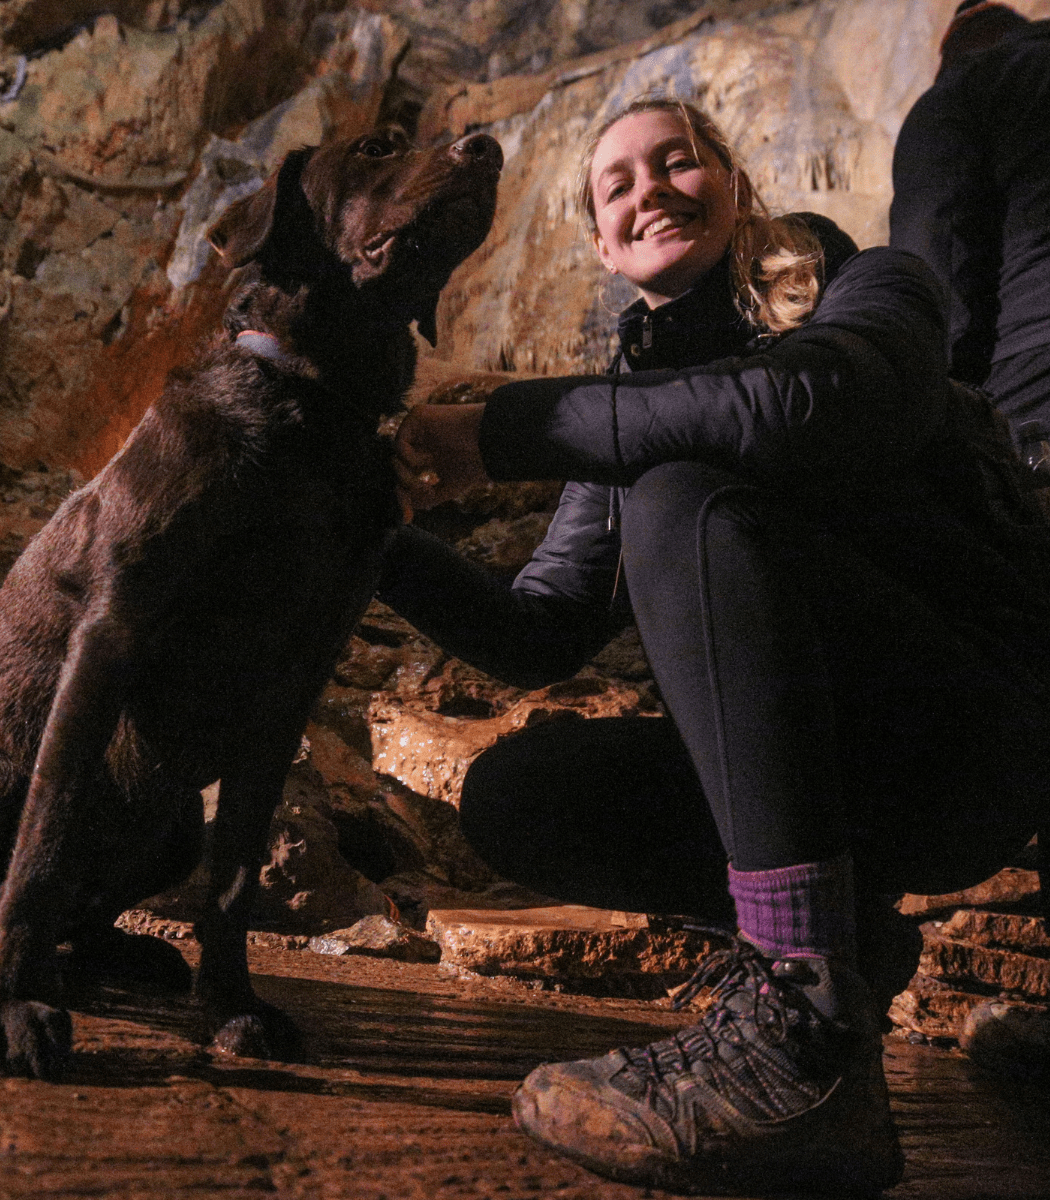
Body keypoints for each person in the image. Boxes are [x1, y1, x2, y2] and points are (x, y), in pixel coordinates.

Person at [378, 94, 1050, 1194]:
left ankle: (801, 1028)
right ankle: (840, 948)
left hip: (972, 741)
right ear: (603, 246)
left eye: (677, 164)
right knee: (523, 793)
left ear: (735, 187)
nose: (649, 192)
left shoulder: (873, 288)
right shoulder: (628, 411)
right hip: (819, 773)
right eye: (617, 186)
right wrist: (369, 531)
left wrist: (500, 430)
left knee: (683, 499)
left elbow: (805, 404)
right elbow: (541, 631)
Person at [890, 1, 1050, 460]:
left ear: (956, 46)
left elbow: (936, 253)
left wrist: (932, 395)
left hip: (1033, 369)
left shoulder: (962, 91)